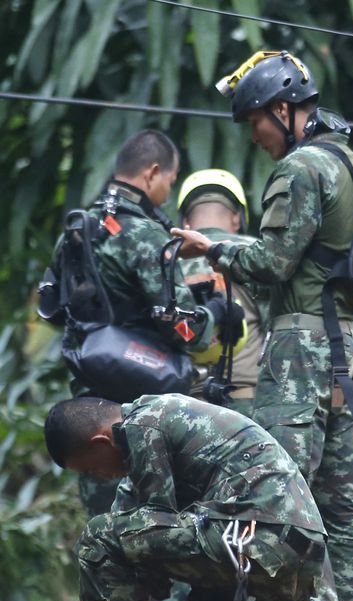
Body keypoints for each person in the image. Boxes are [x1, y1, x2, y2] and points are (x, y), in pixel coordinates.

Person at [172, 51, 353, 601]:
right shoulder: (351, 161)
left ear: (282, 109)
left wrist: (212, 246)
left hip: (299, 349)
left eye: (255, 123)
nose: (254, 137)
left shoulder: (300, 167)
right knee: (341, 510)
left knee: (278, 499)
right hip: (346, 348)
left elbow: (273, 261)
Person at [41, 395, 353, 601]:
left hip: (252, 531)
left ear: (101, 440)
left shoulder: (141, 424)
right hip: (299, 549)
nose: (99, 477)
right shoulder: (160, 424)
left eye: (92, 468)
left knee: (98, 535)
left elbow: (148, 529)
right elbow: (149, 534)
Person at [39, 130, 237, 518]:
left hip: (91, 411)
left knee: (108, 532)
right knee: (162, 526)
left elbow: (53, 309)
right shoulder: (146, 234)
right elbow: (186, 330)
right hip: (141, 412)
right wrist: (216, 311)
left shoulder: (76, 232)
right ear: (153, 173)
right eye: (170, 180)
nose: (168, 190)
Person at [177, 168, 267, 417]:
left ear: (186, 223)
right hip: (247, 402)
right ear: (237, 218)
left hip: (183, 406)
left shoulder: (166, 261)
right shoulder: (257, 255)